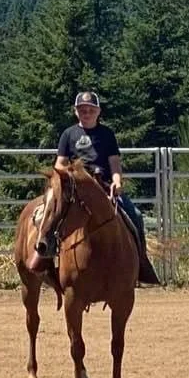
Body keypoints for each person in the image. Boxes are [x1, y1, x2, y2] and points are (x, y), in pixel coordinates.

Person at [54, 91, 161, 285]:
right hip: (76, 190)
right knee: (52, 215)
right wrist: (74, 175)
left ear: (98, 112)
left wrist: (117, 182)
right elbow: (59, 165)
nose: (86, 113)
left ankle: (141, 262)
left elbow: (115, 164)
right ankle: (47, 259)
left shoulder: (107, 134)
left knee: (135, 215)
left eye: (90, 110)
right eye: (82, 110)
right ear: (76, 112)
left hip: (103, 187)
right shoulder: (68, 134)